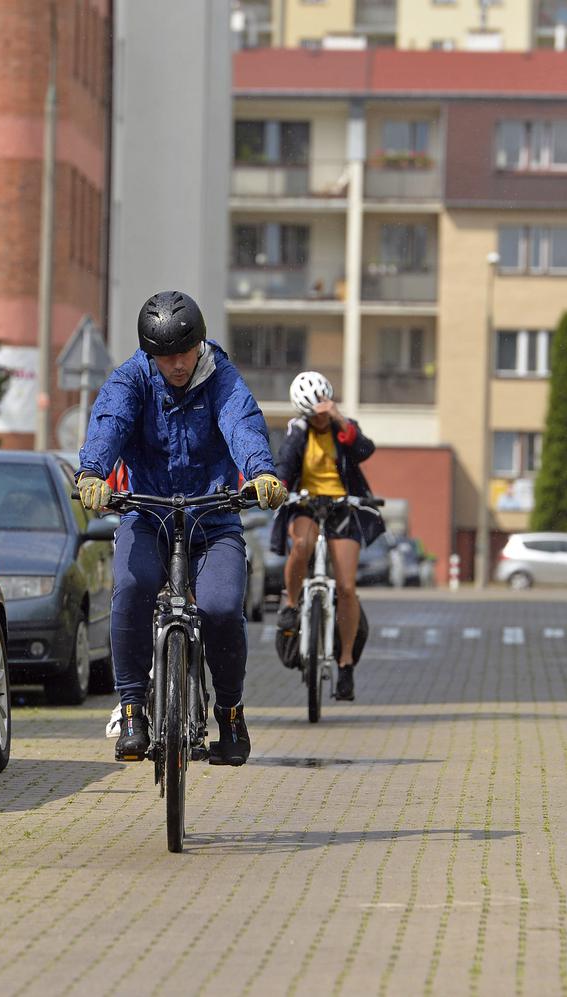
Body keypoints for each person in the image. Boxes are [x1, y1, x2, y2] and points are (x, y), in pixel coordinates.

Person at [76, 290, 286, 765]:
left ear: (200, 344)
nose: (176, 364)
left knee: (220, 605)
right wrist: (92, 472)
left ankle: (230, 714)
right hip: (146, 513)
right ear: (150, 354)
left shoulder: (222, 378)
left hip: (214, 516)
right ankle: (132, 709)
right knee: (131, 587)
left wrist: (260, 472)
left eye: (184, 353)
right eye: (165, 356)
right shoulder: (132, 378)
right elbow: (110, 420)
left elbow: (242, 423)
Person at [271, 371, 384, 701]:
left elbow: (364, 450)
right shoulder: (297, 431)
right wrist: (280, 487)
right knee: (302, 545)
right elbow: (285, 463)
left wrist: (337, 418)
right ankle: (291, 603)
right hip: (305, 503)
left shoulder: (342, 428)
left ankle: (346, 664)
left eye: (322, 413)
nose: (318, 421)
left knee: (347, 587)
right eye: (313, 416)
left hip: (342, 505)